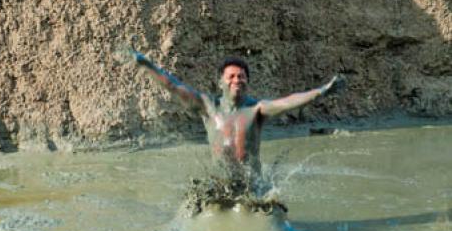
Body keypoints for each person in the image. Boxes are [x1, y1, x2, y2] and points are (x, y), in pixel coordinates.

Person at [122, 49, 342, 177]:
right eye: (232, 76)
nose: (237, 80)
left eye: (241, 76)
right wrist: (145, 64)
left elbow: (289, 102)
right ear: (221, 81)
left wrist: (320, 92)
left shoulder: (257, 109)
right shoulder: (208, 107)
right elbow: (173, 86)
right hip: (221, 183)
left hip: (251, 183)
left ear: (247, 81)